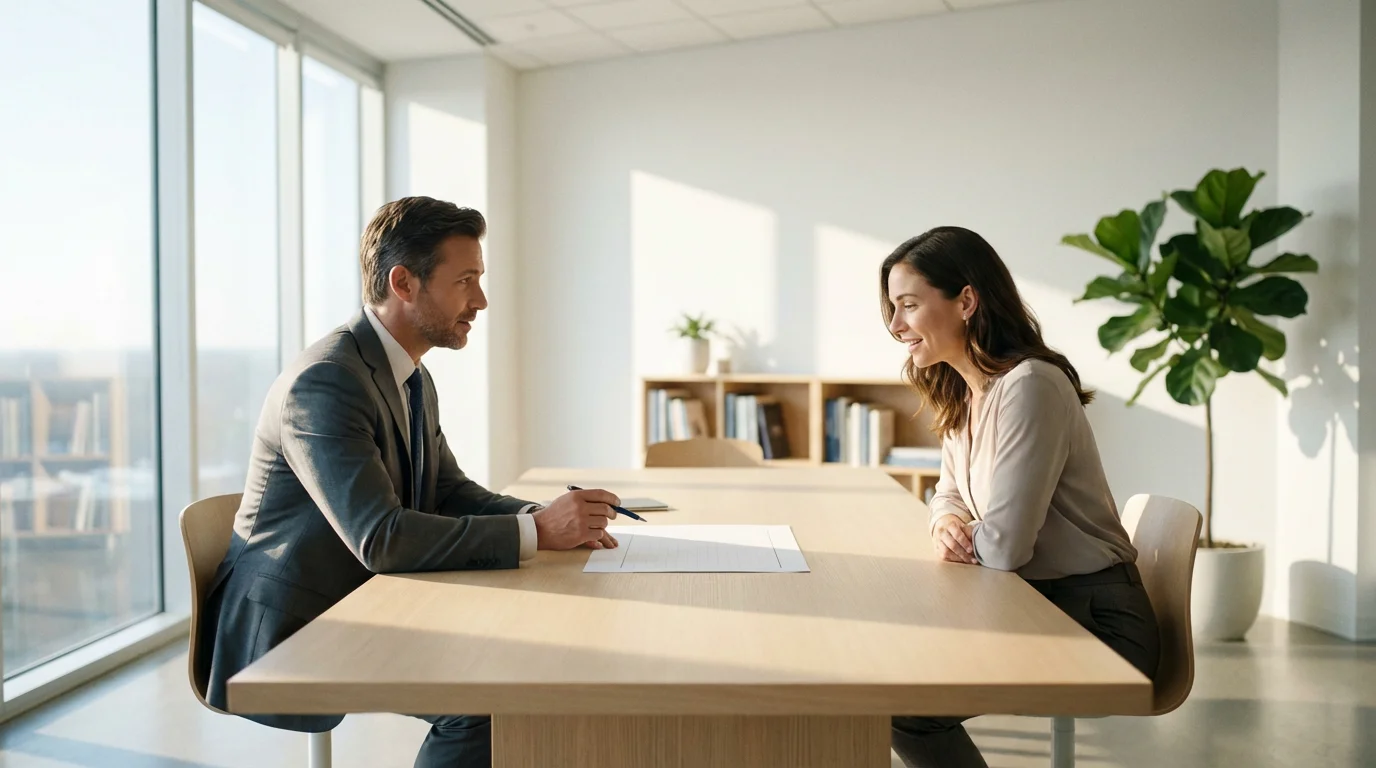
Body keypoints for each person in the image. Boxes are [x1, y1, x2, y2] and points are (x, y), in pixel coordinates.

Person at [197, 196, 623, 768]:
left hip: (371, 599)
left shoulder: (409, 374)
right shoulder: (326, 382)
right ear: (403, 282)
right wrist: (541, 532)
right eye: (465, 280)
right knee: (486, 700)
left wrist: (544, 516)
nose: (481, 300)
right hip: (294, 629)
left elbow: (449, 491)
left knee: (533, 666)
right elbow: (381, 539)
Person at [880, 226, 1161, 768]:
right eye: (893, 308)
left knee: (901, 704)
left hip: (1098, 626)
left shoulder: (1030, 386)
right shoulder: (965, 390)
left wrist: (970, 533)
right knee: (891, 673)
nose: (895, 326)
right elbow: (948, 493)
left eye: (908, 305)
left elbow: (1007, 550)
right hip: (1036, 604)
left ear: (966, 300)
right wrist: (945, 523)